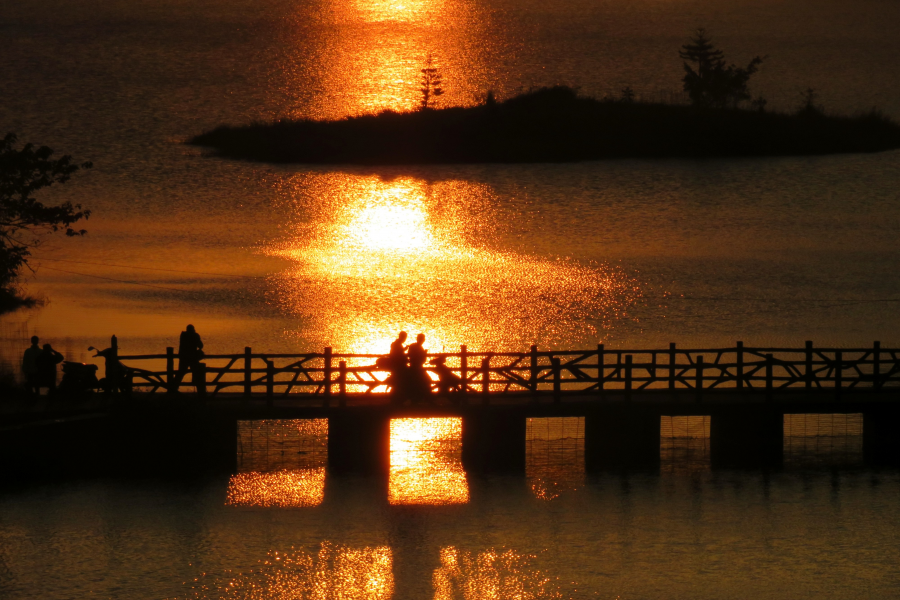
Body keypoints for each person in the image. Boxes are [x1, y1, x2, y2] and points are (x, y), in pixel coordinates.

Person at [174, 324, 204, 390]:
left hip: (183, 357)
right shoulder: (195, 335)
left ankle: (174, 388)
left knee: (180, 373)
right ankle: (200, 389)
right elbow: (201, 345)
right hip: (192, 357)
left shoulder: (183, 335)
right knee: (196, 373)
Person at [406, 333, 431, 399]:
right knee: (427, 380)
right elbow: (419, 357)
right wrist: (424, 353)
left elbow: (410, 354)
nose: (423, 340)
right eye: (422, 339)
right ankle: (423, 396)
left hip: (415, 366)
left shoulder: (413, 346)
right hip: (416, 367)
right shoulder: (417, 347)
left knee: (425, 380)